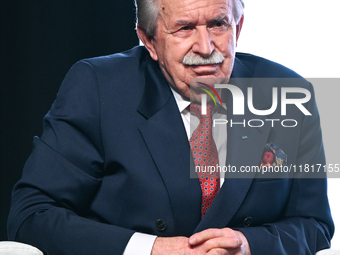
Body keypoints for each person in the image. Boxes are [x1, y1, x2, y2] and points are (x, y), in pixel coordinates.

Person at [8, 0, 334, 254]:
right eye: (185, 28)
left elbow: (314, 224)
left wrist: (249, 245)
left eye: (219, 24)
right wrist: (153, 249)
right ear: (148, 40)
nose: (206, 48)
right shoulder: (97, 87)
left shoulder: (286, 91)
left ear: (239, 26)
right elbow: (32, 215)